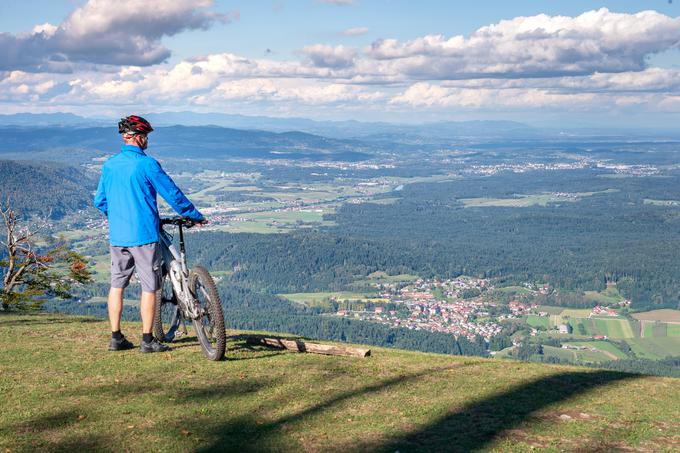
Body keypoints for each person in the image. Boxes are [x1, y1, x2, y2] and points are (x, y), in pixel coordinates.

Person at [94, 115, 205, 353]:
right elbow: (172, 194)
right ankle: (147, 341)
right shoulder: (147, 164)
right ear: (137, 137)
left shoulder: (110, 164)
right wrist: (193, 215)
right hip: (144, 235)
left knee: (117, 285)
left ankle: (116, 338)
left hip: (118, 235)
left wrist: (119, 217)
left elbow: (100, 201)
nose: (147, 141)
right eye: (146, 136)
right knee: (150, 287)